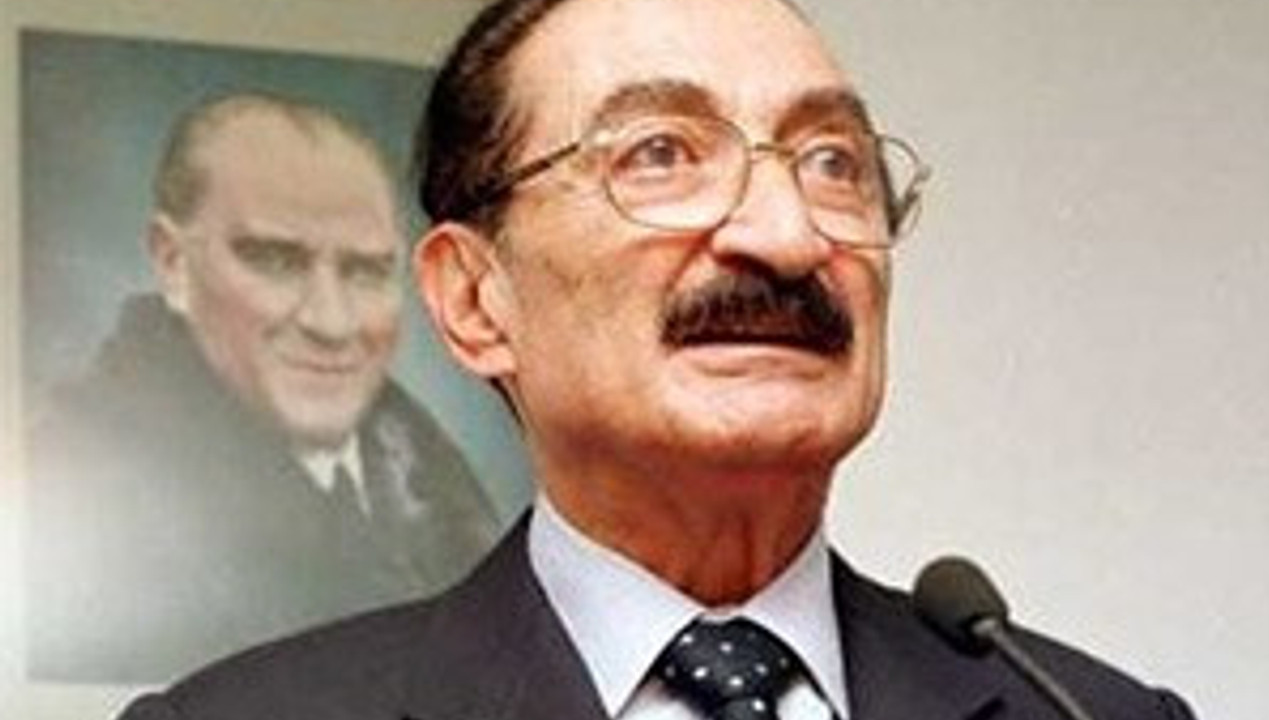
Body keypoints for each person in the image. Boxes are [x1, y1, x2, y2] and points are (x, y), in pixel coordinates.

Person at [114, 1, 1198, 718]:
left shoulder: (1093, 715)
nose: (786, 236)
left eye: (833, 163)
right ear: (475, 299)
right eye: (660, 154)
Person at [27, 93, 500, 684]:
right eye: (277, 261)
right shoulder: (85, 469)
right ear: (172, 263)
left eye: (366, 271)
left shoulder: (428, 474)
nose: (331, 322)